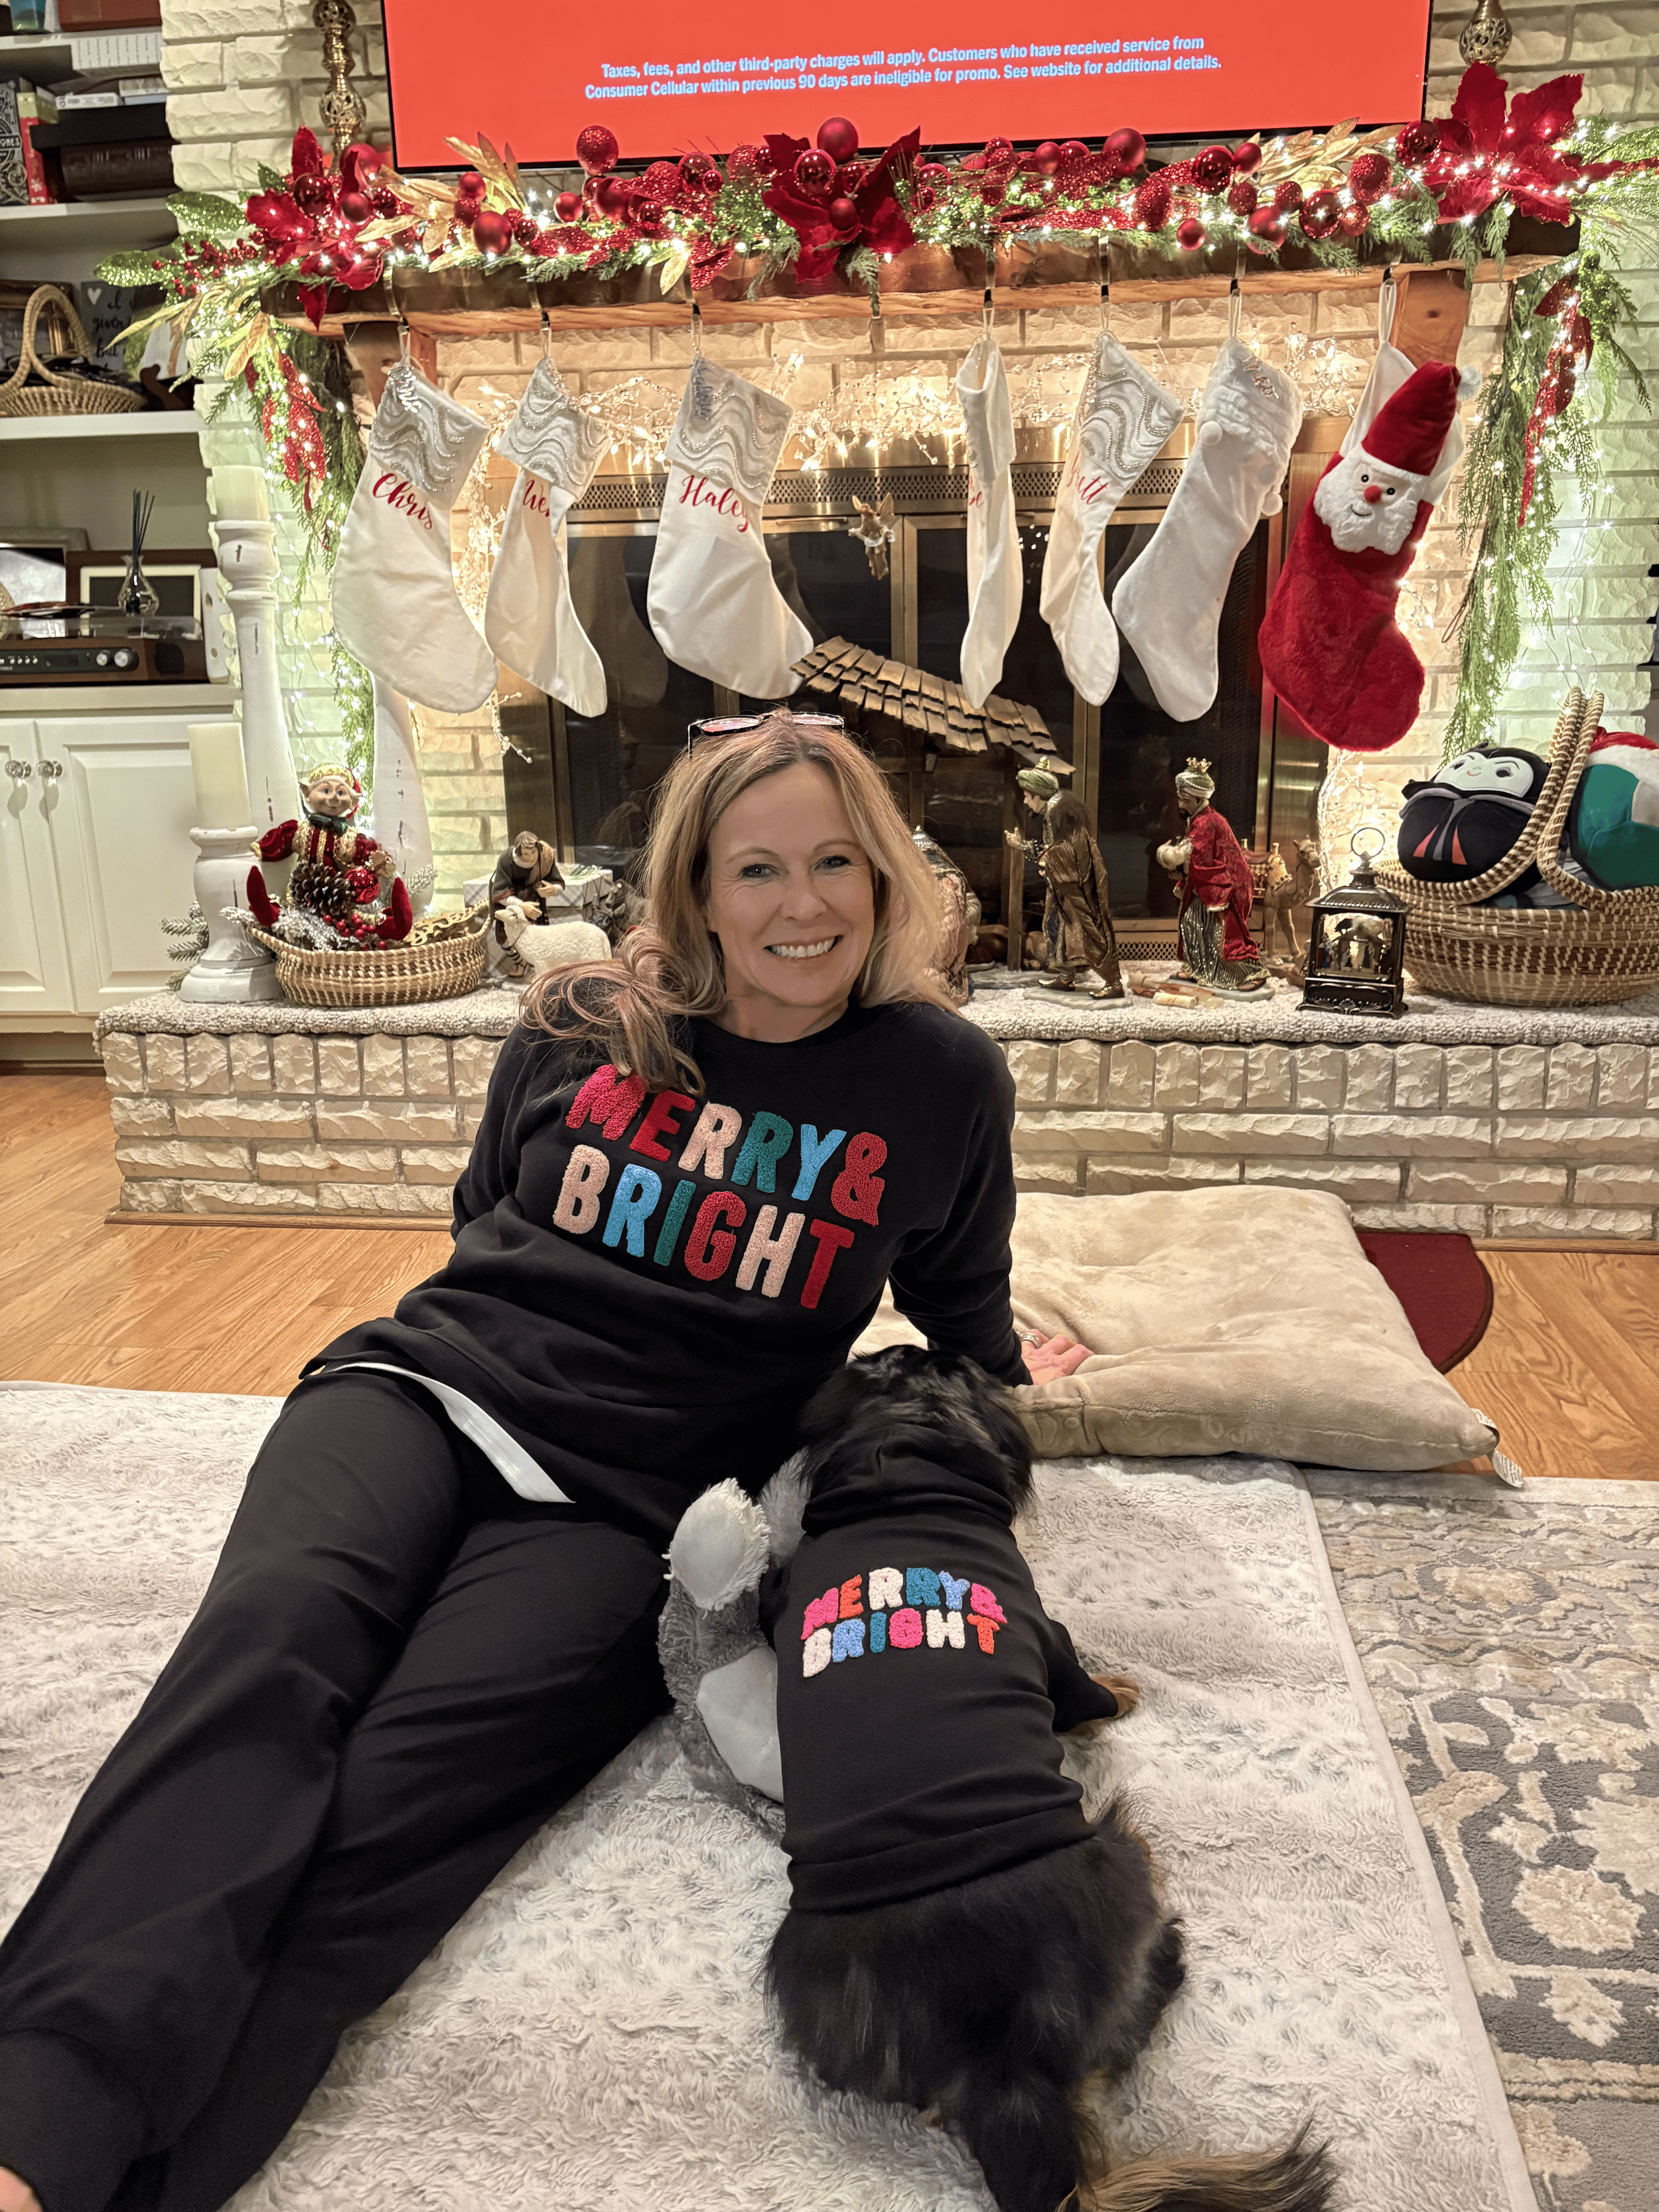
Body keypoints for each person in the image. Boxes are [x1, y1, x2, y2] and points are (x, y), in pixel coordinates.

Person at [0, 715, 1088, 2212]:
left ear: (887, 877)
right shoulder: (584, 1011)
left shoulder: (939, 1078)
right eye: (755, 867)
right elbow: (480, 1226)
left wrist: (1000, 1426)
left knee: (392, 1807)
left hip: (627, 1504)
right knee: (265, 1655)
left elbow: (967, 1320)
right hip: (420, 1393)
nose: (803, 904)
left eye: (838, 862)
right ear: (696, 888)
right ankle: (28, 2137)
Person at [1155, 757, 1269, 995]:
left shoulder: (1207, 822)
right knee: (1191, 923)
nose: (1180, 802)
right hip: (1205, 886)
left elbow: (1193, 856)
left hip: (1223, 886)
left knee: (1227, 935)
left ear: (1198, 799)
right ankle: (1197, 968)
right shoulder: (1197, 819)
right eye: (1180, 798)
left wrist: (1166, 855)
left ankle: (1251, 974)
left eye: (1185, 799)